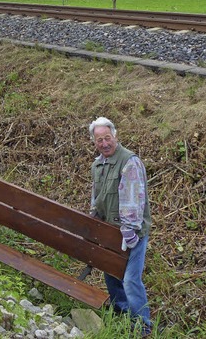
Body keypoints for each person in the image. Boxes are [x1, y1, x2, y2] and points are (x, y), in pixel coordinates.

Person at [88, 117, 153, 336]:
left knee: (130, 279)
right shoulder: (97, 165)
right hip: (110, 232)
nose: (104, 143)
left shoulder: (129, 162)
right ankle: (122, 314)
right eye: (99, 140)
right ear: (94, 142)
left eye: (107, 138)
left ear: (115, 136)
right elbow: (95, 200)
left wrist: (129, 232)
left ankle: (143, 325)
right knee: (112, 275)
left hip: (131, 232)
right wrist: (94, 223)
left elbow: (133, 200)